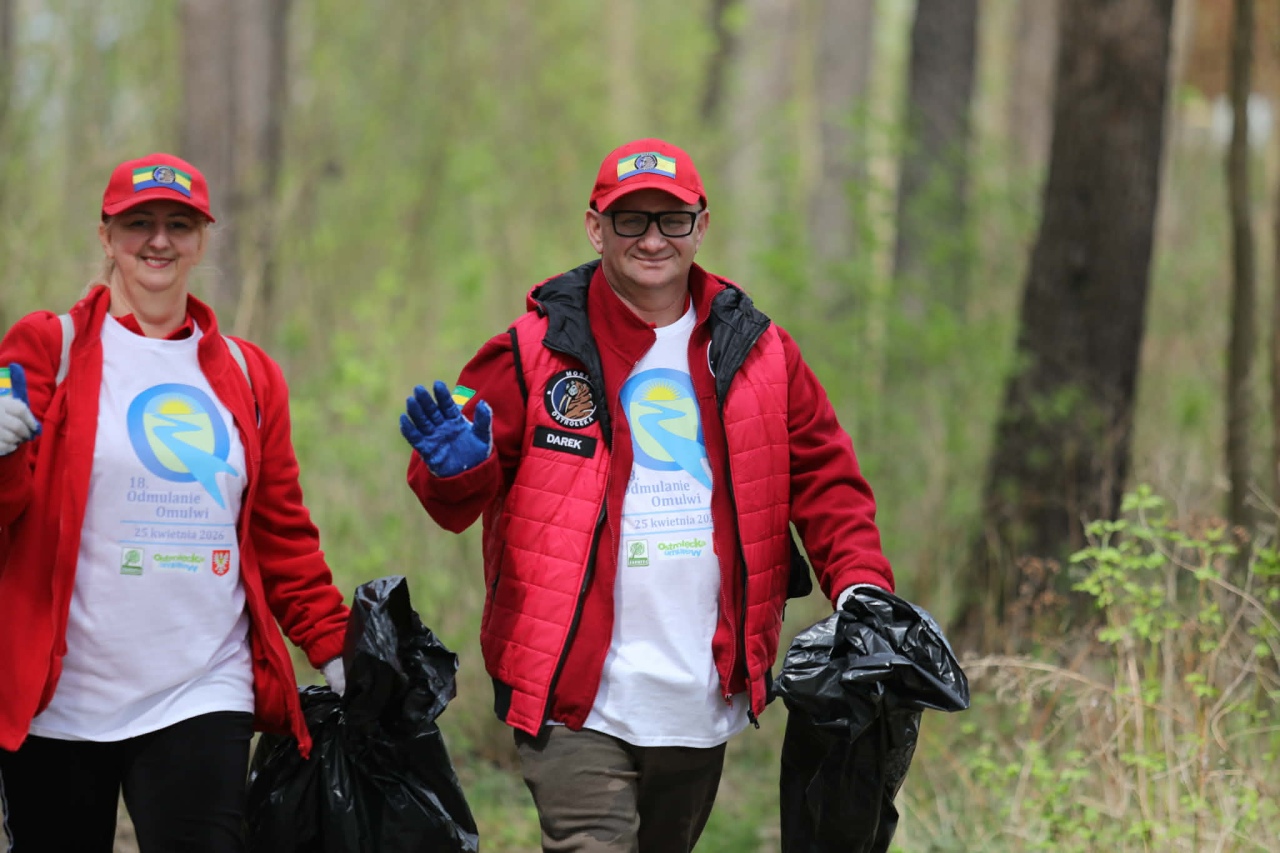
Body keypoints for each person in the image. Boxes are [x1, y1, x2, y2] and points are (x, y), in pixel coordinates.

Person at [399, 137, 895, 853]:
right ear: (596, 227)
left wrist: (861, 587)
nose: (653, 238)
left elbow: (828, 483)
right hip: (573, 696)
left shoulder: (761, 352)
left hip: (698, 693)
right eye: (631, 220)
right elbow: (447, 496)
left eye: (672, 218)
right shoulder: (532, 348)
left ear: (702, 224)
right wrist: (455, 469)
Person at [0, 153, 349, 852]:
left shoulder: (251, 376)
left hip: (201, 686)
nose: (159, 241)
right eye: (139, 223)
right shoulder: (50, 347)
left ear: (202, 239)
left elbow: (283, 533)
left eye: (179, 224)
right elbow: (12, 513)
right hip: (61, 698)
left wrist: (333, 643)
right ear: (106, 236)